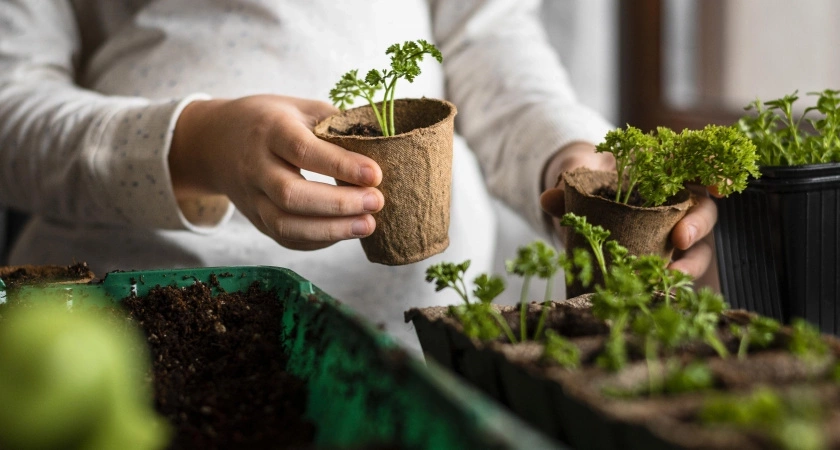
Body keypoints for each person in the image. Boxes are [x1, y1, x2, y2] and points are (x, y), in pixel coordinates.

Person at [0, 0, 717, 352]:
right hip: (120, 328)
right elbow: (11, 106)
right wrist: (194, 145)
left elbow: (489, 42)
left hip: (420, 338)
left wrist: (573, 162)